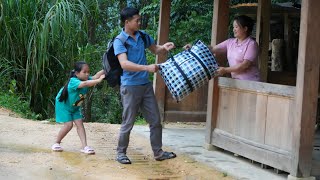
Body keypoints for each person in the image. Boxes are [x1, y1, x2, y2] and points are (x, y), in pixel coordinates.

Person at [113, 7, 176, 164]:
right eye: (137, 20)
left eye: (140, 19)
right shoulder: (119, 41)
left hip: (145, 86)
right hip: (130, 86)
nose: (140, 22)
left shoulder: (142, 36)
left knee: (155, 120)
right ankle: (121, 153)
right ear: (127, 22)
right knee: (128, 122)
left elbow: (155, 50)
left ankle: (158, 152)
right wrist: (146, 68)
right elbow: (124, 64)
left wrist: (164, 48)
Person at [184, 15, 260, 81]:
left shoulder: (251, 44)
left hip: (251, 83)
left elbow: (244, 65)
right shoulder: (230, 42)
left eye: (236, 27)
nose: (234, 29)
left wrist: (225, 70)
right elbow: (212, 49)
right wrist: (193, 47)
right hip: (237, 82)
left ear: (245, 29)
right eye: (233, 27)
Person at [51, 61, 105, 154]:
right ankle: (56, 143)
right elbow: (85, 84)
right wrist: (99, 80)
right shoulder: (73, 81)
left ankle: (85, 147)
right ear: (77, 73)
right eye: (84, 72)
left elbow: (96, 75)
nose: (87, 74)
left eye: (88, 72)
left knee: (80, 124)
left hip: (75, 107)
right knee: (69, 125)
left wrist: (106, 69)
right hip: (63, 105)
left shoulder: (86, 79)